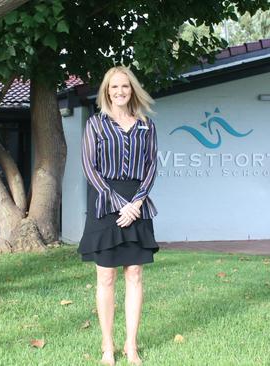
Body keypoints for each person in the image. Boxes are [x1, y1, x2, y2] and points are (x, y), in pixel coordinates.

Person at [79, 66, 158, 366]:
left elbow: (151, 168)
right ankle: (107, 347)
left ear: (132, 89)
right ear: (106, 91)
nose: (120, 92)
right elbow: (90, 168)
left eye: (125, 86)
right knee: (106, 276)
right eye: (114, 87)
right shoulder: (95, 125)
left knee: (135, 274)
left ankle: (131, 346)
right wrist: (117, 203)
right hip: (104, 204)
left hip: (137, 205)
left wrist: (136, 203)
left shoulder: (146, 126)